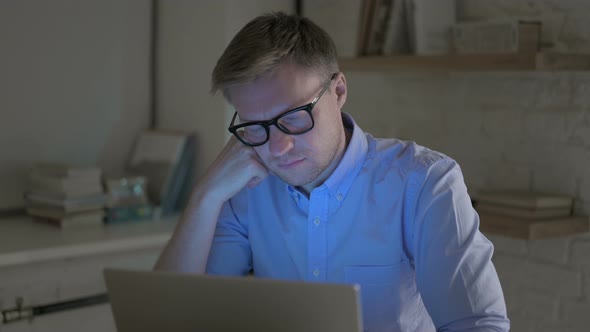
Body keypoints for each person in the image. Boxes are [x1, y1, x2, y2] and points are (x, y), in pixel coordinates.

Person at [155, 11, 510, 332]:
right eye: (254, 126)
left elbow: (480, 326)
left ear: (338, 91)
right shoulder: (248, 189)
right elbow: (169, 319)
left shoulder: (426, 184)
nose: (277, 148)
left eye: (293, 118)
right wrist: (206, 195)